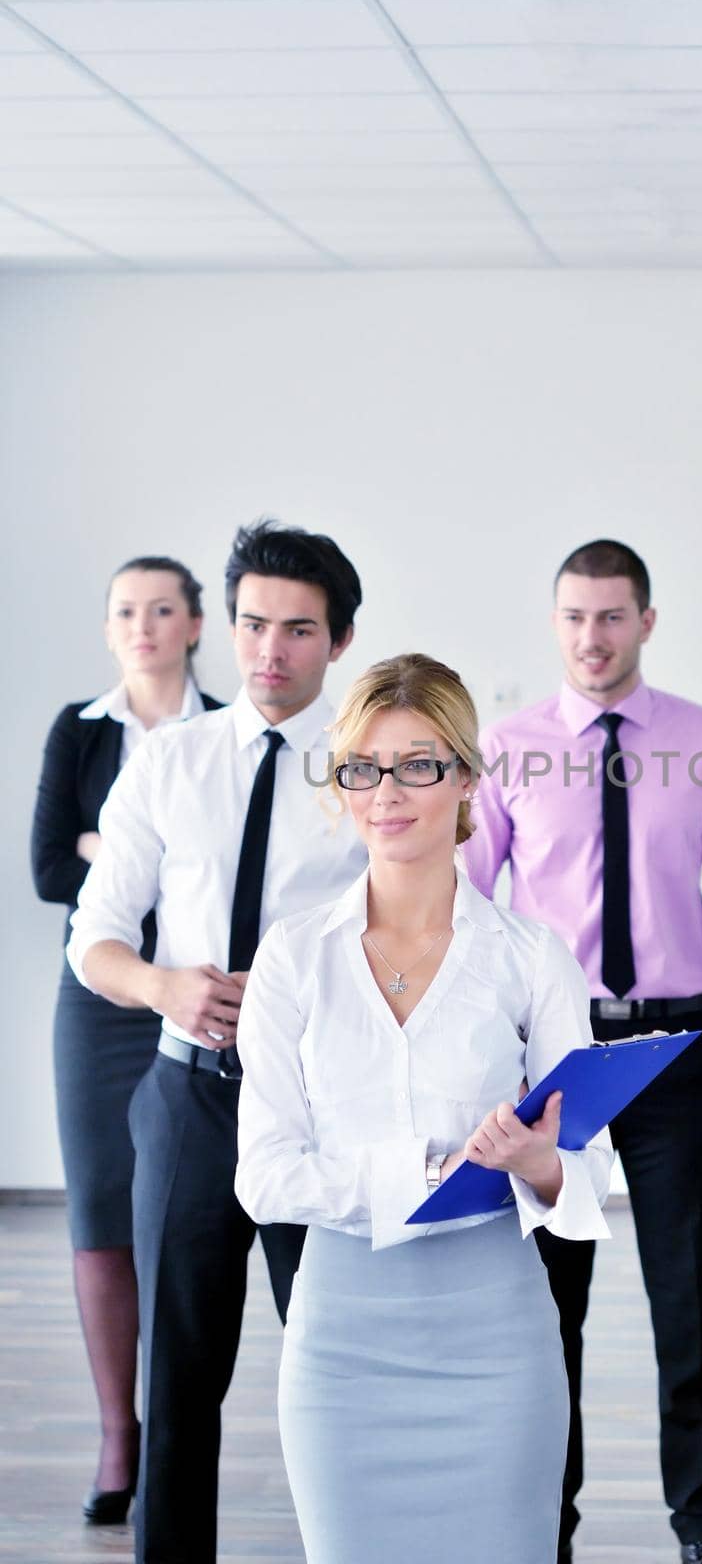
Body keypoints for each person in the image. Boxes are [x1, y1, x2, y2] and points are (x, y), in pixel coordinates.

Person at [234, 653, 612, 1564]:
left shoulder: (531, 956)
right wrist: (431, 1174)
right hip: (338, 1348)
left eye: (419, 763)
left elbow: (588, 1171)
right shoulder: (294, 957)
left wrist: (535, 1162)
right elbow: (263, 1175)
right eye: (363, 767)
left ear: (468, 777)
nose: (387, 792)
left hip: (499, 1342)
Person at [66, 520, 365, 1564]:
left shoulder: (368, 774)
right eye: (250, 626)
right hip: (189, 1096)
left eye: (296, 630)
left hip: (319, 1107)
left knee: (331, 1364)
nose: (268, 651)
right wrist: (162, 985)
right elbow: (92, 940)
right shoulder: (170, 763)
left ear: (338, 641)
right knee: (180, 1376)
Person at [463, 539, 702, 1564]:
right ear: (555, 624)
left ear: (645, 620)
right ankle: (545, 1522)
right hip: (558, 1053)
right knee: (553, 1301)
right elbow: (471, 908)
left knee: (688, 1291)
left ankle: (700, 1520)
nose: (593, 637)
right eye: (575, 617)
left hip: (680, 1049)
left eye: (611, 616)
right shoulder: (506, 748)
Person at [30, 554, 222, 1524]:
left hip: (198, 998)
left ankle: (180, 1418)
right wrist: (141, 845)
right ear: (108, 630)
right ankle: (119, 1433)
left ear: (195, 624)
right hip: (99, 999)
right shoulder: (82, 729)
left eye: (161, 609)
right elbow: (46, 866)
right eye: (123, 611)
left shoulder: (228, 733)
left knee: (183, 1218)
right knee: (101, 1211)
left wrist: (116, 847)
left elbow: (225, 869)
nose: (141, 625)